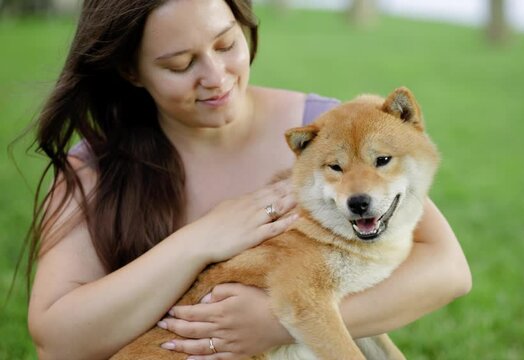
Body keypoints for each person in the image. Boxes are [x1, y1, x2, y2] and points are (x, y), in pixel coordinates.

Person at [26, 0, 472, 359]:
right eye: (181, 65)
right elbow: (57, 342)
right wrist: (199, 240)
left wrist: (274, 323)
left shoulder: (330, 129)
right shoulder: (94, 168)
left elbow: (448, 270)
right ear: (131, 70)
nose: (216, 78)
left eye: (225, 45)